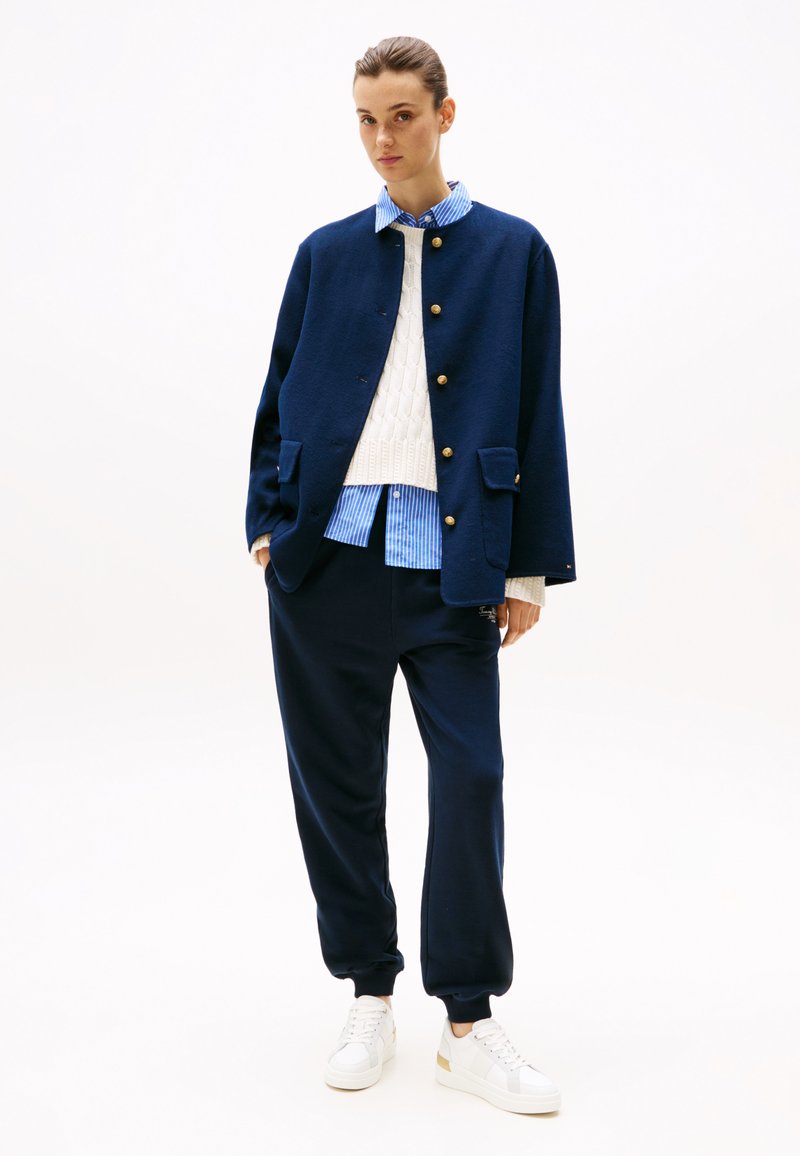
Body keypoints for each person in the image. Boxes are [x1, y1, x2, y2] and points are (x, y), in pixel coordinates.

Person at [245, 35, 576, 1115]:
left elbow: (538, 410)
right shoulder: (323, 253)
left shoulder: (514, 252)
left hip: (453, 565)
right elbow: (278, 393)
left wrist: (527, 570)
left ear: (444, 114)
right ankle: (369, 991)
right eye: (365, 120)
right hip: (325, 560)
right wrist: (267, 525)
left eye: (401, 116)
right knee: (336, 786)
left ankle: (467, 1021)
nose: (382, 139)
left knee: (469, 779)